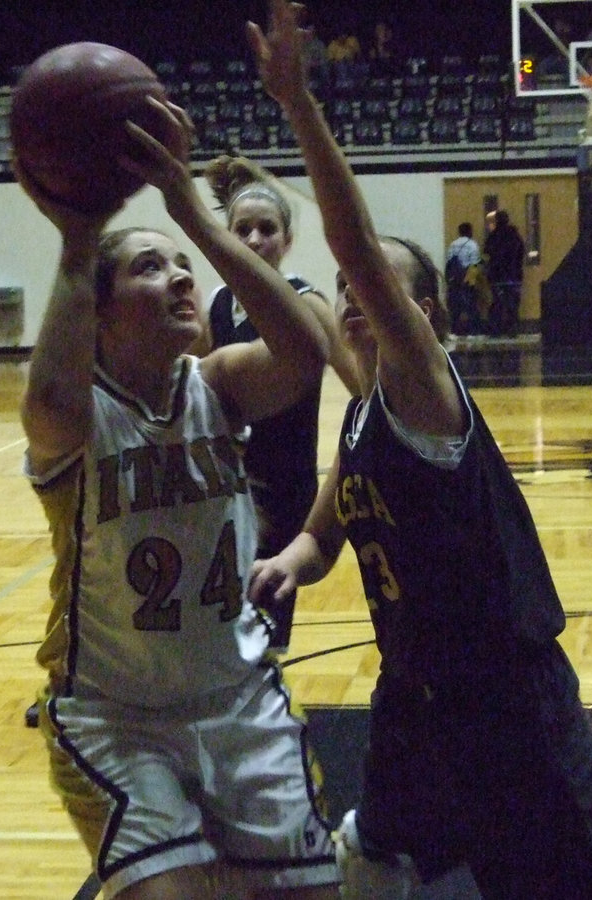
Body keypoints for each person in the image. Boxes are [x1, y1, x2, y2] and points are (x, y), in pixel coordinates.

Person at [245, 2, 592, 898]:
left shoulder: (427, 394)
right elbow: (324, 534)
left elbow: (349, 242)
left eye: (376, 289)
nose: (356, 297)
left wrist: (298, 105)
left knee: (581, 888)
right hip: (416, 695)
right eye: (354, 291)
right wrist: (286, 561)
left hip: (505, 700)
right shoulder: (360, 421)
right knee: (377, 850)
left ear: (423, 318)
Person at [16, 93, 340, 900]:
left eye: (184, 266)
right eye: (150, 266)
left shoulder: (217, 384)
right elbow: (46, 403)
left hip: (237, 701)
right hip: (116, 716)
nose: (180, 278)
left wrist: (193, 216)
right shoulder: (82, 417)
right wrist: (79, 235)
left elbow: (305, 354)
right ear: (100, 310)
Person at [203, 154, 359, 653]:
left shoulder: (307, 304)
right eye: (242, 229)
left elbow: (362, 386)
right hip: (224, 493)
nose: (252, 241)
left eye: (266, 230)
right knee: (217, 635)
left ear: (287, 241)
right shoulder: (213, 306)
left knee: (264, 643)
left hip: (284, 493)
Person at [482, 209, 525, 337]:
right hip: (514, 275)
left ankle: (496, 330)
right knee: (512, 304)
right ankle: (512, 330)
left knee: (497, 303)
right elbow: (520, 253)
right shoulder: (515, 236)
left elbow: (486, 253)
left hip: (497, 276)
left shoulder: (493, 236)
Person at [444, 222, 485, 337]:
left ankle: (454, 331)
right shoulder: (472, 245)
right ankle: (473, 331)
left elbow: (449, 262)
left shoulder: (453, 245)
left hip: (455, 280)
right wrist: (470, 282)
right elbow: (474, 264)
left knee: (455, 306)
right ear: (470, 231)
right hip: (467, 278)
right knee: (471, 305)